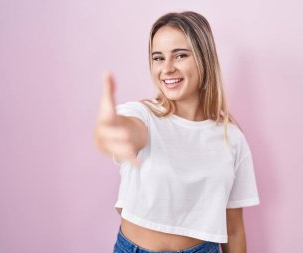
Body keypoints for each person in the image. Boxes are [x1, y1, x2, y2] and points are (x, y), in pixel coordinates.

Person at [94, 11, 260, 253]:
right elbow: (129, 131)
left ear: (204, 58)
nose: (167, 68)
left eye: (180, 55)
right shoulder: (143, 115)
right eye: (158, 58)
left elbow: (234, 230)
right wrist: (113, 130)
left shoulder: (231, 137)